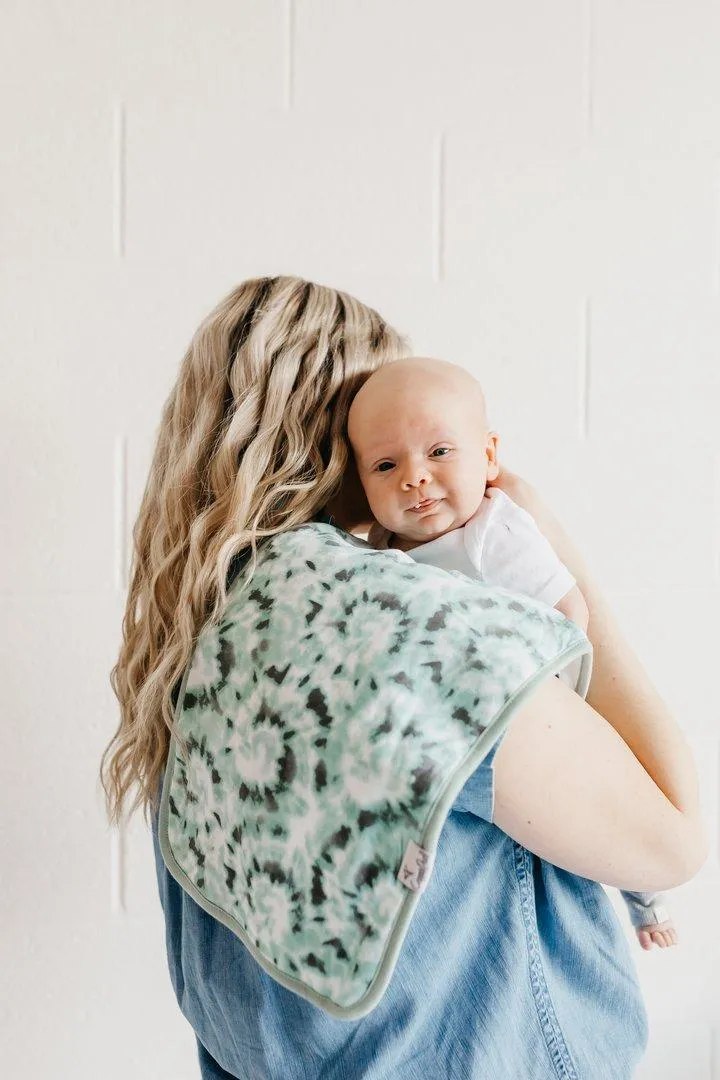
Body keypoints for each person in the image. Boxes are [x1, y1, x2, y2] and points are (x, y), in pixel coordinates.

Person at [100, 274, 708, 1080]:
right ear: (337, 440)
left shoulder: (203, 634)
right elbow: (672, 839)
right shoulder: (405, 627)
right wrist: (553, 547)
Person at [347, 355, 677, 953]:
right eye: (386, 465)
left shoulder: (492, 533)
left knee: (605, 812)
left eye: (439, 453)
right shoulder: (385, 548)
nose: (414, 478)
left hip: (546, 698)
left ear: (489, 456)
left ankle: (646, 900)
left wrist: (531, 673)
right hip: (482, 722)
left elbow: (570, 610)